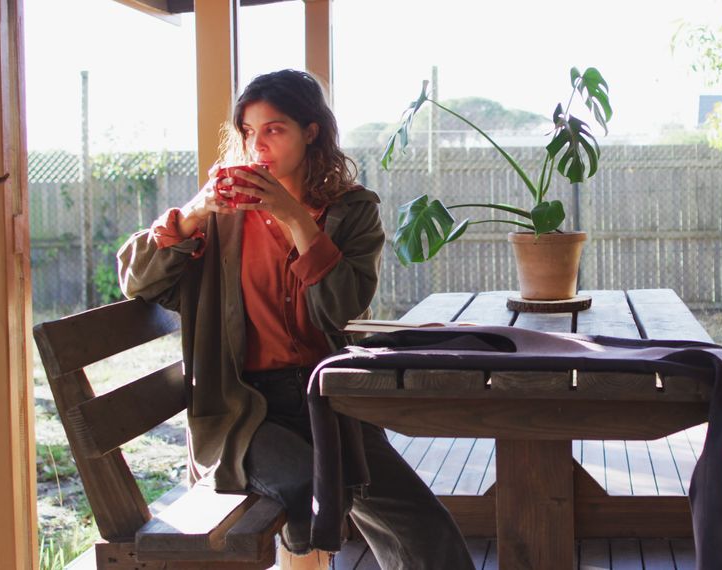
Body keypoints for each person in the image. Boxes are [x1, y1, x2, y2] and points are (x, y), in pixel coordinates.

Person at [117, 69, 474, 570]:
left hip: (330, 398)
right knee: (310, 482)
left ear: (311, 131)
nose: (257, 144)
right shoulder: (222, 215)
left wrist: (295, 218)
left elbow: (340, 308)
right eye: (248, 130)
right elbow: (137, 279)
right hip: (243, 407)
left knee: (427, 531)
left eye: (274, 129)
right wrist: (192, 213)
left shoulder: (352, 212)